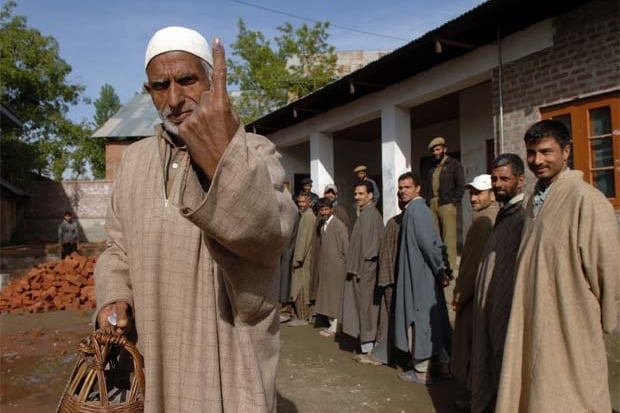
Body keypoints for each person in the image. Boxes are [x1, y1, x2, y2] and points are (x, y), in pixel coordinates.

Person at [93, 26, 297, 413]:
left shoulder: (254, 151)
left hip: (227, 359)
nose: (174, 99)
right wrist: (113, 297)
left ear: (210, 80)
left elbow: (270, 234)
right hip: (152, 355)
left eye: (187, 80)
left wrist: (223, 159)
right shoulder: (134, 162)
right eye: (159, 86)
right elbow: (116, 247)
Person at [496, 120, 619, 412]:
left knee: (572, 392)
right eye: (531, 153)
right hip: (531, 315)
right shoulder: (531, 203)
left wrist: (602, 318)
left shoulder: (586, 200)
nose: (537, 160)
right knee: (533, 388)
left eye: (546, 152)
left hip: (570, 319)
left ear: (566, 152)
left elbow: (608, 267)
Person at [469, 155, 525, 413]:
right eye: (495, 179)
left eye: (505, 179)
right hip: (491, 306)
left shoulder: (522, 218)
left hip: (507, 307)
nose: (499, 184)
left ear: (520, 181)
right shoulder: (503, 215)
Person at [394, 172, 452, 385]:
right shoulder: (415, 210)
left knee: (419, 319)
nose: (402, 191)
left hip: (421, 276)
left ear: (418, 188)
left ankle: (421, 371)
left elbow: (430, 245)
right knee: (435, 319)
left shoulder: (417, 211)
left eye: (407, 187)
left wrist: (440, 269)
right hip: (422, 274)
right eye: (400, 188)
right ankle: (443, 365)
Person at [450, 174, 499, 406]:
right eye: (471, 193)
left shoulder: (483, 222)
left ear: (491, 194)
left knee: (473, 348)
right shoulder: (490, 217)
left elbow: (471, 264)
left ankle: (477, 399)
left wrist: (460, 295)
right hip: (485, 296)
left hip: (475, 297)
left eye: (479, 193)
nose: (473, 197)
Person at [341, 180, 384, 357]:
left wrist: (363, 273)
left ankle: (369, 347)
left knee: (367, 309)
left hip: (366, 273)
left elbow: (371, 251)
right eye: (356, 194)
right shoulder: (364, 214)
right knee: (361, 308)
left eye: (361, 194)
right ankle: (365, 344)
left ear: (370, 195)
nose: (357, 197)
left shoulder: (371, 216)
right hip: (360, 271)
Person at [422, 136, 464, 270]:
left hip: (447, 203)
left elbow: (460, 185)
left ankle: (450, 267)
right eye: (433, 150)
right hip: (433, 202)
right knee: (434, 236)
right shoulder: (432, 167)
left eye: (438, 149)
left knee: (449, 237)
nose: (435, 152)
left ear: (444, 149)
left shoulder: (454, 164)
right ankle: (437, 266)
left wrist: (454, 201)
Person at [313, 197, 349, 337]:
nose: (323, 212)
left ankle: (335, 327)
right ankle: (331, 324)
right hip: (326, 267)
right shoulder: (323, 226)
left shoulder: (339, 226)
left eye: (326, 209)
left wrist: (343, 266)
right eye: (321, 210)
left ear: (331, 209)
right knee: (327, 296)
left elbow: (346, 249)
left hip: (337, 268)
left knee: (335, 297)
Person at [289, 192, 317, 326]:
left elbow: (303, 241)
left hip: (304, 260)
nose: (300, 204)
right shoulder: (305, 216)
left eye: (303, 202)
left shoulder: (308, 217)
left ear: (310, 203)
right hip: (304, 258)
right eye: (299, 202)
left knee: (301, 288)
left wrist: (297, 259)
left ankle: (303, 317)